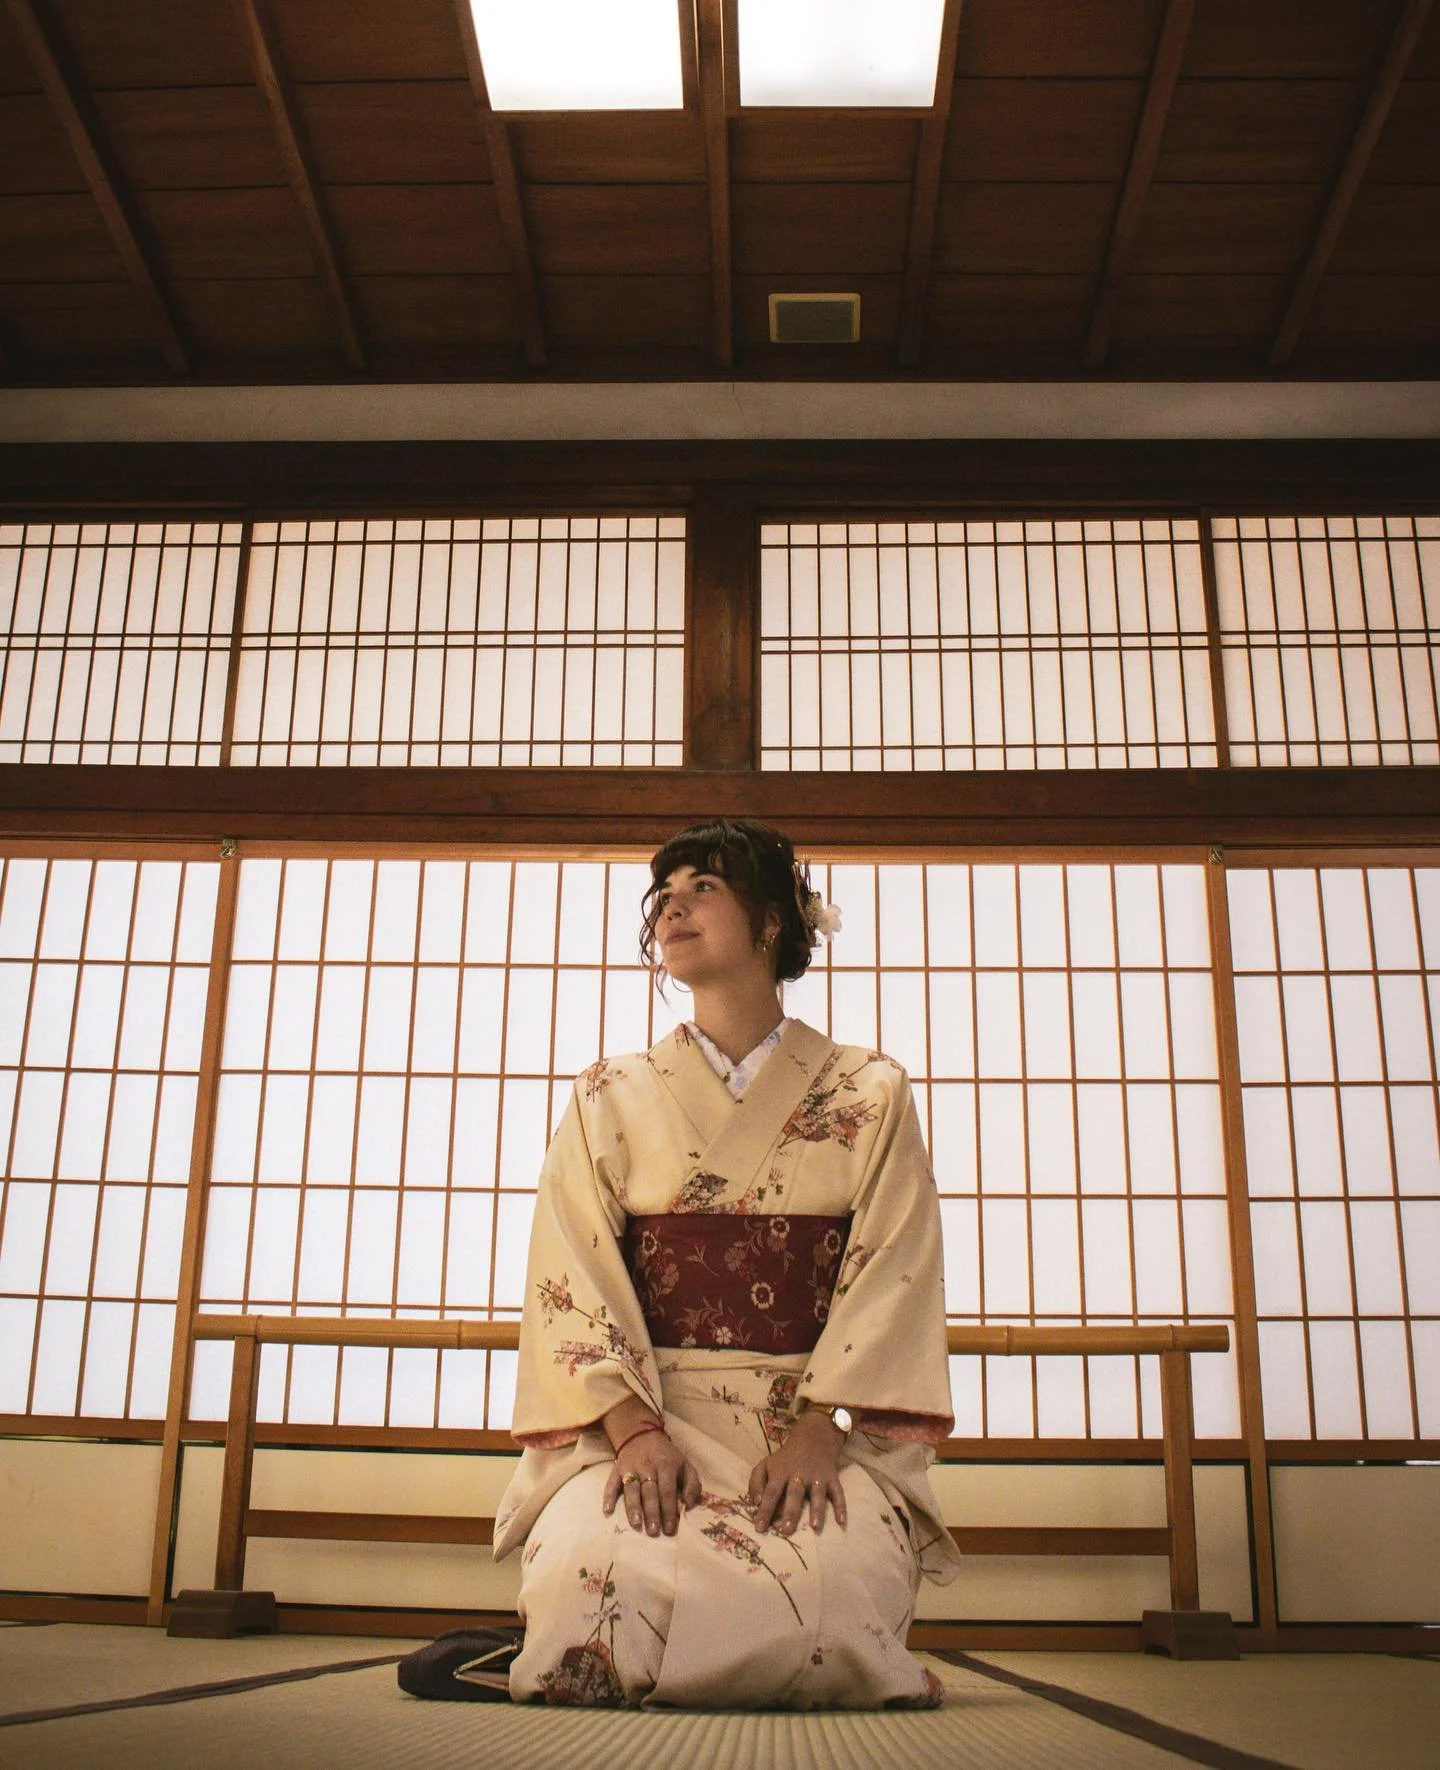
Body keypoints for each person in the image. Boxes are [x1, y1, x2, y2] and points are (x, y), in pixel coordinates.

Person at [402, 818, 959, 1709]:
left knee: (835, 1592)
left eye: (704, 887)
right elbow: (570, 1271)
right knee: (598, 1572)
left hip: (798, 1424)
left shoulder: (870, 1089)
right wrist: (633, 1433)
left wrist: (822, 1431)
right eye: (665, 894)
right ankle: (541, 1638)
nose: (674, 907)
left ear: (773, 920)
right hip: (653, 1416)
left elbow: (896, 1262)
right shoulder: (608, 1093)